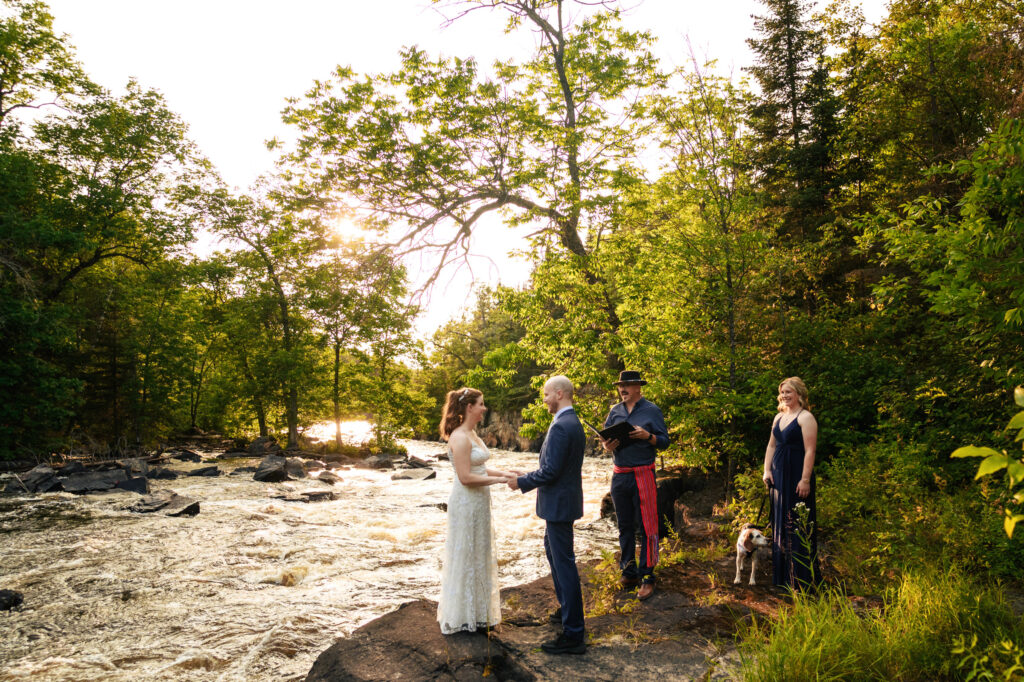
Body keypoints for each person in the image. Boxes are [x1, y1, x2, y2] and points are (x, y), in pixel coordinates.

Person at [507, 376, 587, 655]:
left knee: (564, 564)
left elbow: (551, 471)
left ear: (559, 393)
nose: (544, 400)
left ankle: (574, 634)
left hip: (559, 506)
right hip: (562, 503)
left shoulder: (563, 426)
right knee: (554, 555)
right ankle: (566, 611)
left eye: (545, 395)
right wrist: (526, 474)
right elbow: (556, 467)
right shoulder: (570, 422)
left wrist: (522, 482)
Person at [436, 387, 517, 635]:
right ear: (469, 407)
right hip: (467, 502)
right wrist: (501, 481)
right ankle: (462, 615)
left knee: (480, 551)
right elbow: (465, 477)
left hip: (480, 501)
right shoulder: (460, 437)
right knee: (466, 553)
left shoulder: (473, 434)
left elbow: (480, 469)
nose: (485, 408)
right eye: (481, 404)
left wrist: (509, 473)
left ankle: (480, 613)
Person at [600, 370, 668, 601]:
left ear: (639, 387)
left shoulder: (652, 410)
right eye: (621, 385)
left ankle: (647, 576)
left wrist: (648, 436)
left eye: (628, 385)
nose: (623, 389)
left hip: (643, 473)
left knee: (648, 527)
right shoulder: (615, 411)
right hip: (620, 475)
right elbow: (605, 439)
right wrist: (606, 446)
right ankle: (628, 572)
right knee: (624, 525)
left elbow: (664, 442)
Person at [762, 376, 821, 591]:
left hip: (797, 476)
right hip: (778, 476)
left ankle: (802, 581)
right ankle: (783, 578)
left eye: (789, 392)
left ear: (799, 394)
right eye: (783, 392)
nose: (785, 396)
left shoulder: (806, 418)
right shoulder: (778, 417)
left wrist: (805, 480)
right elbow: (771, 446)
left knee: (798, 525)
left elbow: (810, 451)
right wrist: (767, 470)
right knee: (780, 523)